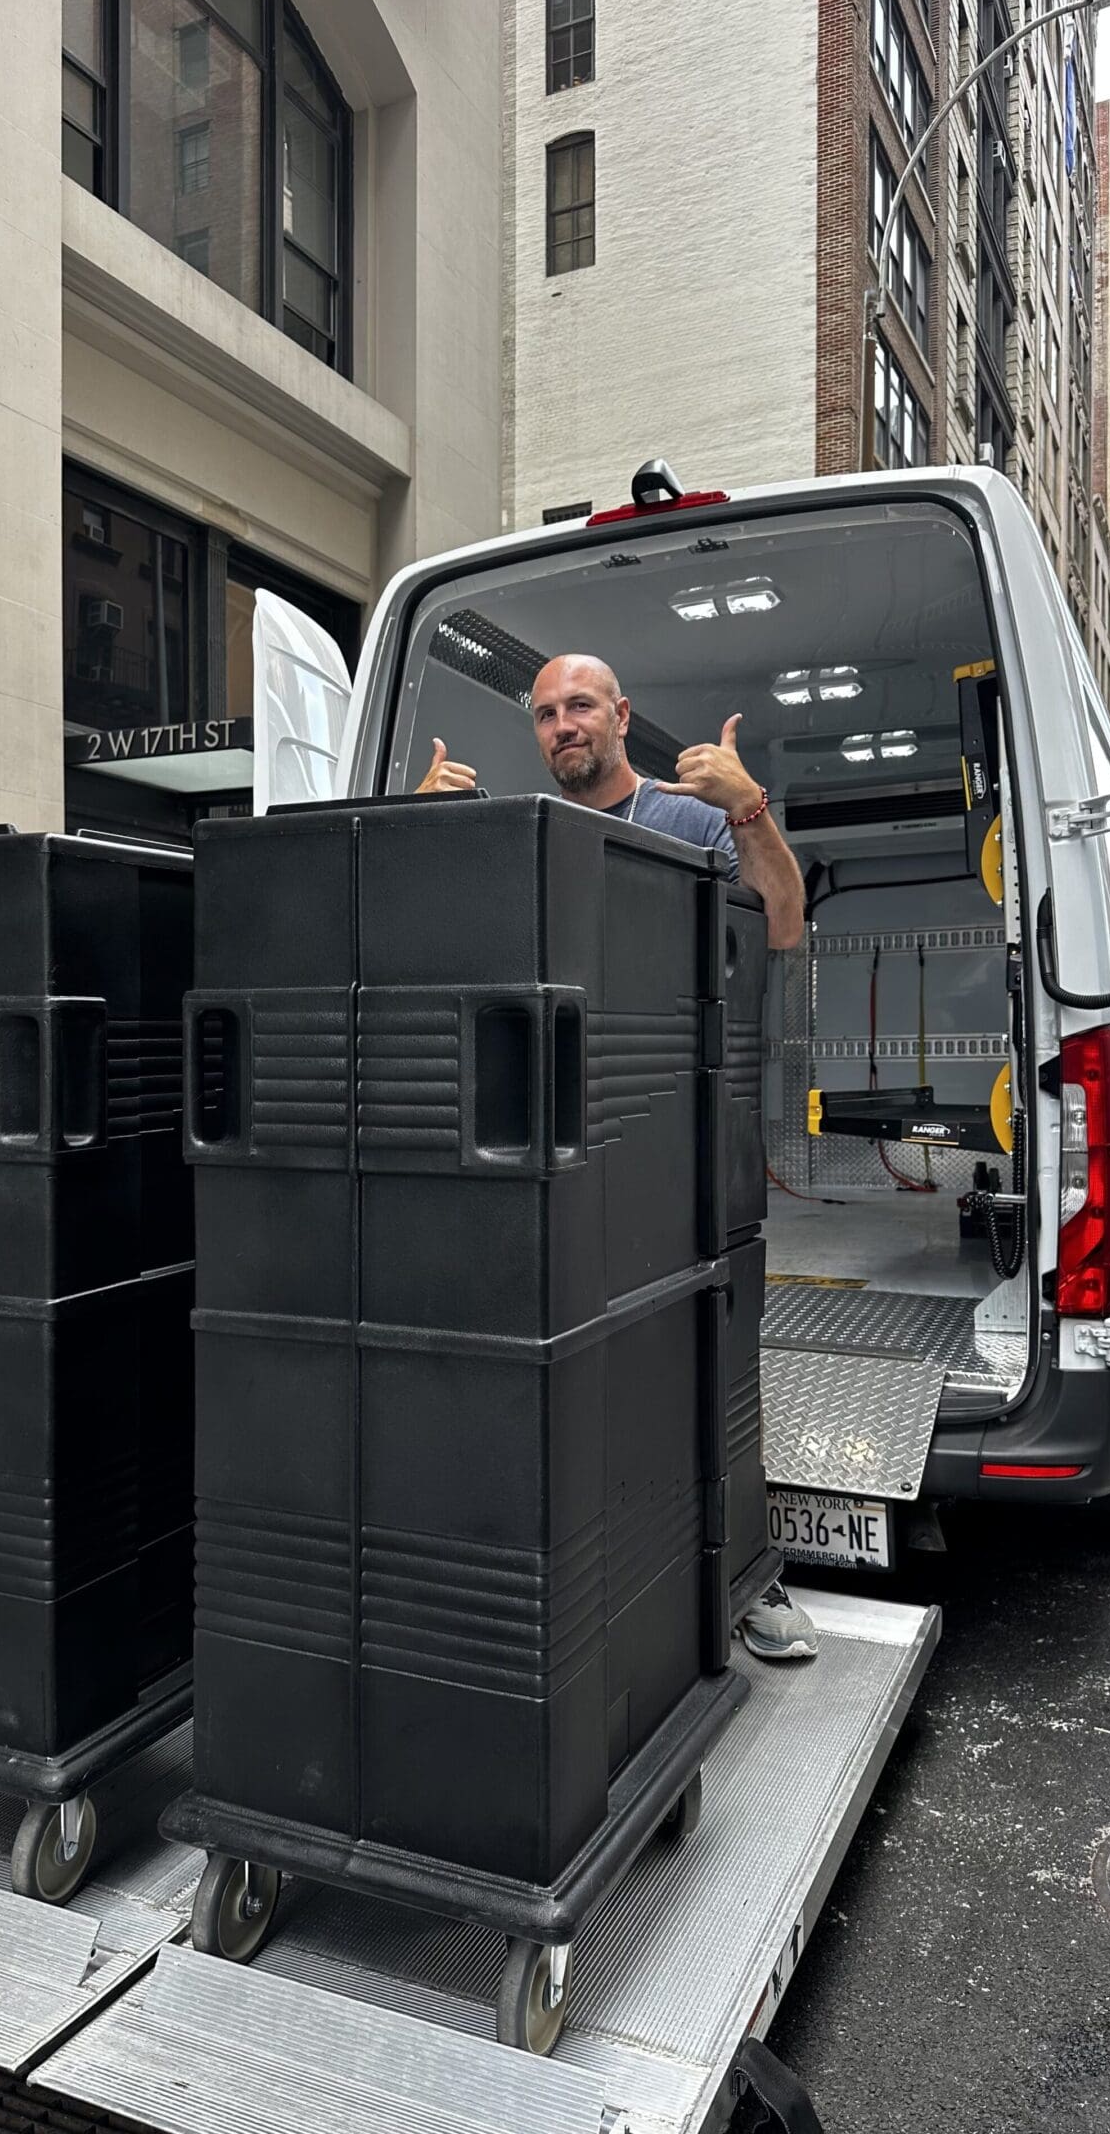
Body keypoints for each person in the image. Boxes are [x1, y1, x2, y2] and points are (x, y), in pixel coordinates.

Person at [417, 654, 818, 1659]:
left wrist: (749, 809)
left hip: (678, 1149)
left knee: (710, 1373)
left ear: (622, 716)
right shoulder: (522, 837)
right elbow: (424, 949)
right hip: (560, 1159)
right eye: (547, 712)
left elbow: (783, 919)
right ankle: (607, 1594)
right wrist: (416, 826)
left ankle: (746, 1579)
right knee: (591, 1383)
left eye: (581, 705)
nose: (563, 724)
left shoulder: (688, 821)